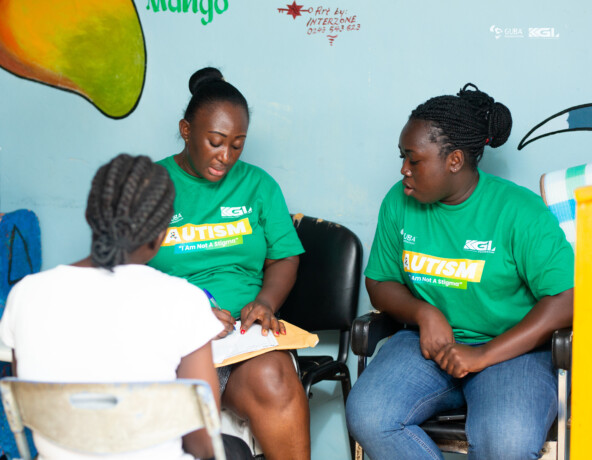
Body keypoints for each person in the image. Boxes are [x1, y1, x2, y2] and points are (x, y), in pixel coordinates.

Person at [345, 84, 574, 460]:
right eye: (402, 157)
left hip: (512, 350)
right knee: (370, 416)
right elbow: (380, 281)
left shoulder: (518, 211)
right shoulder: (399, 202)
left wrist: (483, 354)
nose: (403, 170)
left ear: (454, 160)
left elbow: (567, 299)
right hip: (426, 346)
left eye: (414, 160)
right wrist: (425, 313)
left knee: (507, 441)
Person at [0, 154, 252, 460]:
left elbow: (29, 406)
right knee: (235, 450)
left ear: (90, 216)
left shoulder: (27, 293)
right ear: (161, 233)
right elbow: (203, 442)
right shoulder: (183, 300)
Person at [147, 67, 310, 460]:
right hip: (171, 339)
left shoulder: (258, 185)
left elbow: (284, 256)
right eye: (216, 142)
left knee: (275, 378)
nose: (226, 157)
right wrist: (190, 312)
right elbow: (122, 274)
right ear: (186, 130)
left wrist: (266, 301)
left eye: (237, 145)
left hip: (242, 338)